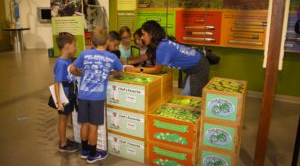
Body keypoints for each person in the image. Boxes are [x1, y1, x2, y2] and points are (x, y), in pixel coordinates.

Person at [69, 27, 123, 163]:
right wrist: (112, 73)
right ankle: (93, 155)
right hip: (97, 98)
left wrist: (82, 74)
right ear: (107, 41)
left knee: (84, 125)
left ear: (91, 42)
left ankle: (85, 151)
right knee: (93, 127)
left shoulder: (84, 54)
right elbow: (120, 70)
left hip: (83, 95)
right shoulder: (112, 57)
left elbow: (72, 68)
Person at [125, 20, 210, 97]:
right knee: (186, 92)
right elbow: (147, 55)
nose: (142, 38)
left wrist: (135, 70)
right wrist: (131, 62)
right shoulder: (160, 42)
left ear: (151, 34)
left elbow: (156, 70)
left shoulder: (162, 47)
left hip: (199, 67)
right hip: (194, 65)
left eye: (143, 34)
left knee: (191, 95)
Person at [53, 32, 78, 152]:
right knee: (63, 119)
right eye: (74, 45)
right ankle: (62, 143)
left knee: (66, 118)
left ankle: (64, 139)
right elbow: (56, 83)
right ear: (67, 46)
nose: (76, 47)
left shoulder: (68, 60)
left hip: (70, 93)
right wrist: (59, 102)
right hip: (64, 95)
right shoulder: (61, 63)